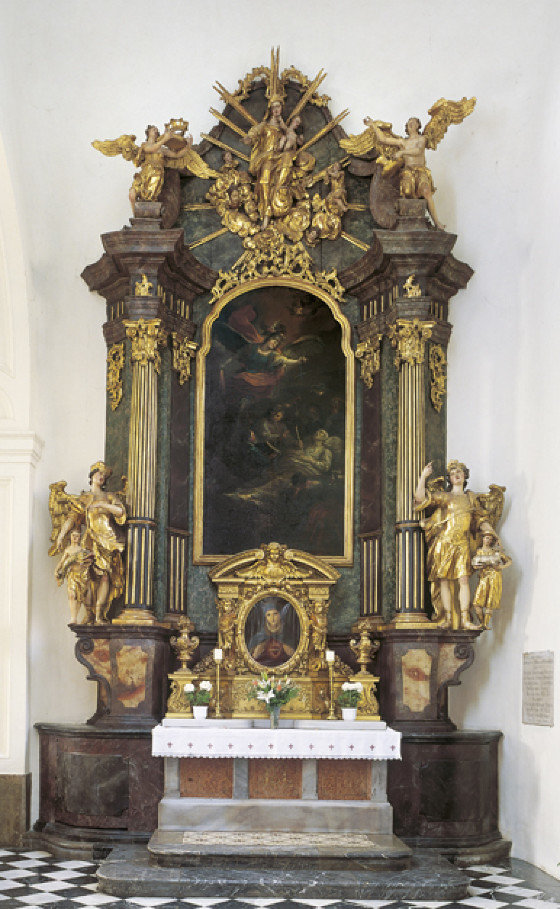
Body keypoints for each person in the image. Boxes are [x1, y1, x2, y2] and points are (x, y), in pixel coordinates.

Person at [414, 460, 494, 629]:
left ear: (465, 475)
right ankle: (447, 618)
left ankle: (465, 620)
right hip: (445, 542)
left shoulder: (470, 498)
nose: (456, 475)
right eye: (452, 473)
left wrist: (491, 532)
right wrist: (423, 477)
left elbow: (480, 519)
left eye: (459, 472)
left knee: (463, 579)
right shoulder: (445, 496)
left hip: (462, 544)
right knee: (443, 580)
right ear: (449, 479)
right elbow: (420, 499)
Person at [55, 462, 126, 624]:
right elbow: (72, 518)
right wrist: (61, 535)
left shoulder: (109, 496)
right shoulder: (84, 498)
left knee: (105, 578)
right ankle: (89, 614)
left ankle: (100, 614)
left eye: (104, 475)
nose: (101, 477)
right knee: (87, 578)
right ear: (92, 475)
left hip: (108, 540)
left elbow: (120, 511)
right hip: (90, 540)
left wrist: (103, 505)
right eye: (99, 473)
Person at [364, 116, 444, 228]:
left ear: (418, 126)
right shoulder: (403, 142)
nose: (411, 124)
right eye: (409, 123)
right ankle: (406, 224)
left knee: (426, 192)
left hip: (420, 171)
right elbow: (384, 139)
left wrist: (402, 153)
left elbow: (418, 150)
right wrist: (373, 125)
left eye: (414, 122)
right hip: (408, 171)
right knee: (406, 192)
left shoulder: (422, 139)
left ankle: (437, 222)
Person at [472, 530, 512, 629]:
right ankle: (482, 623)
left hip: (494, 576)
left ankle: (485, 624)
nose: (488, 541)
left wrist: (500, 567)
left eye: (490, 539)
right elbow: (474, 565)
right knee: (476, 603)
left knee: (490, 601)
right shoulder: (479, 551)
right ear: (483, 539)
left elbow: (509, 561)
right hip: (483, 577)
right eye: (487, 538)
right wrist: (479, 566)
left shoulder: (495, 552)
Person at [54, 529, 94, 624]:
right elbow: (62, 562)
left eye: (77, 536)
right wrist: (56, 570)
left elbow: (89, 560)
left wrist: (85, 563)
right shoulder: (68, 550)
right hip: (72, 575)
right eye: (73, 536)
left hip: (82, 575)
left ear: (79, 537)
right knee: (72, 595)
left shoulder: (82, 550)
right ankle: (73, 617)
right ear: (70, 537)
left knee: (80, 596)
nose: (75, 538)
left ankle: (80, 615)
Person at [248, 602, 295, 666]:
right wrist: (256, 653)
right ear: (265, 617)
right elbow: (251, 658)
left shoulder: (288, 636)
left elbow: (295, 656)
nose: (272, 618)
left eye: (275, 614)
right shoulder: (258, 637)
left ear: (280, 615)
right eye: (268, 615)